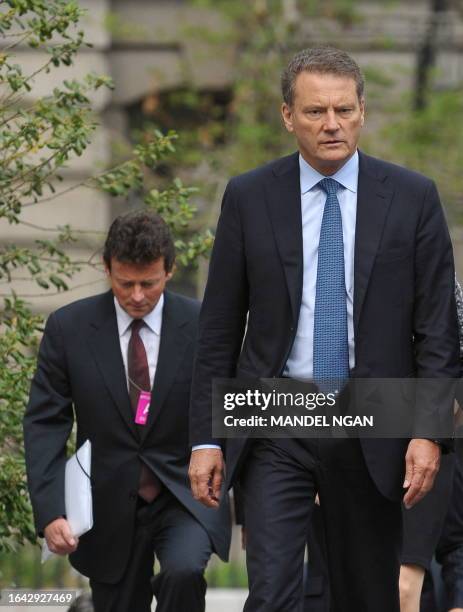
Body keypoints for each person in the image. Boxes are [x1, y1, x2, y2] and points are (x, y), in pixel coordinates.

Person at [188, 46, 460, 612]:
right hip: (274, 414)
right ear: (288, 116)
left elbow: (437, 330)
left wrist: (429, 431)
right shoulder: (248, 196)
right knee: (272, 594)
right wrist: (207, 437)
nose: (331, 124)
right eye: (315, 112)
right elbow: (218, 328)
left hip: (374, 414)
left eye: (342, 109)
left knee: (365, 596)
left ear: (363, 111)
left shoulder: (413, 198)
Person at [24, 211, 231, 612]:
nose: (137, 295)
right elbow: (45, 422)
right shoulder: (69, 328)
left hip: (184, 494)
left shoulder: (204, 324)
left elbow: (232, 406)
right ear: (107, 269)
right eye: (125, 283)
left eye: (148, 283)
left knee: (183, 573)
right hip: (106, 503)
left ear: (169, 271)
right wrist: (51, 512)